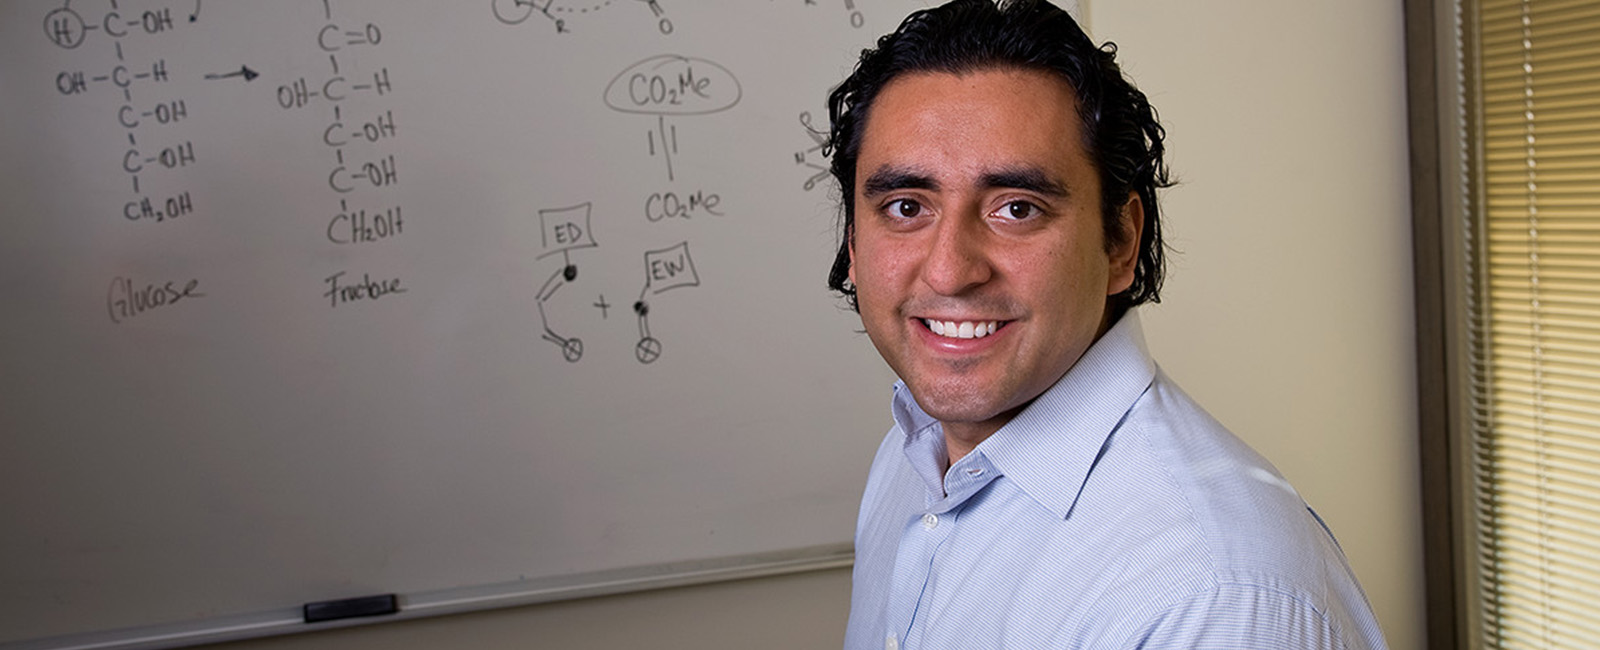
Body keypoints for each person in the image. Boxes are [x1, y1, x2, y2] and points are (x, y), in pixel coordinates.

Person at [824, 1, 1389, 648]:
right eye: (905, 206)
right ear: (854, 245)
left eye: (1016, 208)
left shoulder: (1216, 596)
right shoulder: (913, 458)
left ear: (1120, 241)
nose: (950, 272)